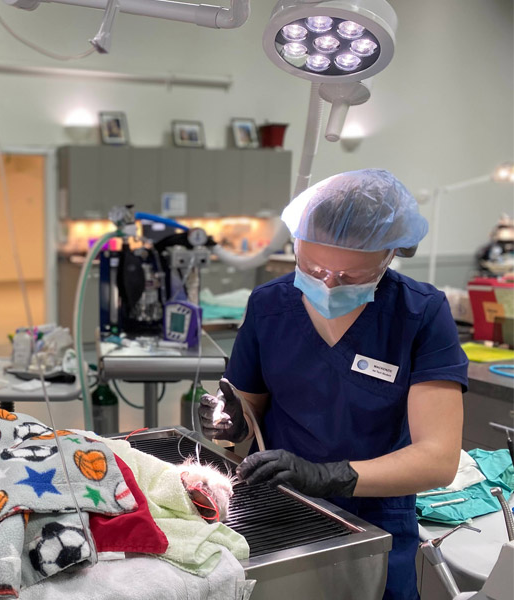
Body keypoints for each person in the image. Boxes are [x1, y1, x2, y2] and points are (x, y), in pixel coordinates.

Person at [199, 169, 468, 600]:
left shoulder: (420, 315)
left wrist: (330, 476)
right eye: (312, 267)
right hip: (278, 507)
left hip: (376, 522)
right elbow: (245, 411)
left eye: (349, 277)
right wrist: (230, 426)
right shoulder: (269, 306)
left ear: (389, 257)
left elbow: (438, 459)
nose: (327, 284)